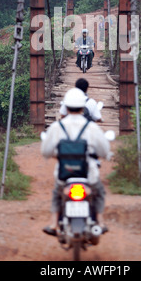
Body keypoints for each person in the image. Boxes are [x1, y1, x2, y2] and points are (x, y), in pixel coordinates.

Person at [41, 87, 110, 236]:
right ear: (82, 107)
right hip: (88, 175)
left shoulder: (57, 127)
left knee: (57, 194)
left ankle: (53, 224)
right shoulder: (91, 127)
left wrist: (57, 154)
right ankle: (100, 221)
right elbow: (104, 151)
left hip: (64, 176)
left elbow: (45, 152)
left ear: (65, 107)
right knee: (99, 192)